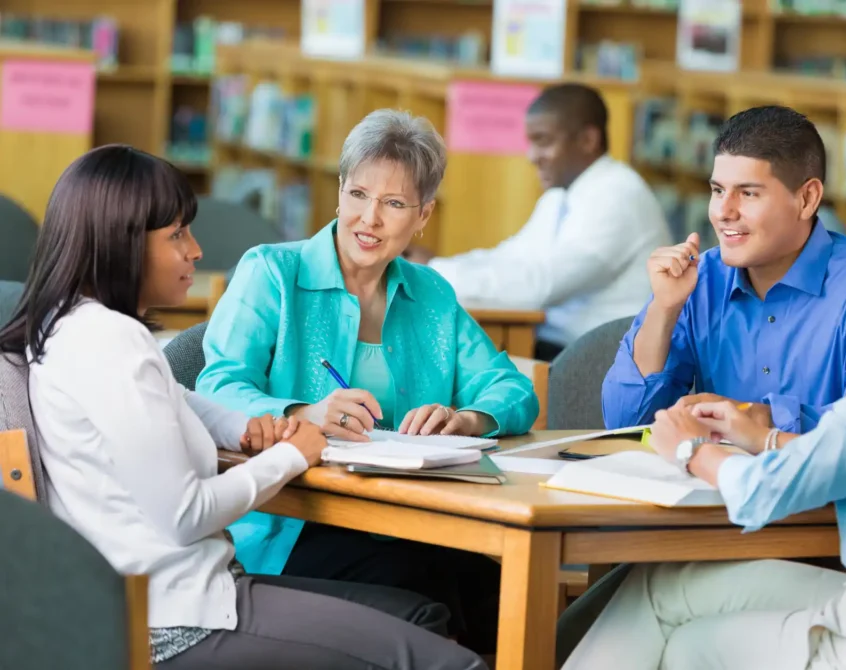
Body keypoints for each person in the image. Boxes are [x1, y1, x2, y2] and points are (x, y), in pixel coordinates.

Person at [0, 144, 487, 670]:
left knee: (419, 612)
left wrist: (257, 426)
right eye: (177, 235)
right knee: (452, 662)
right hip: (176, 620)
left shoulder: (76, 328)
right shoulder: (112, 344)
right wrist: (293, 453)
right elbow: (186, 516)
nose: (197, 251)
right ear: (123, 246)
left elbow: (186, 402)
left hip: (171, 595)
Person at [563, 158, 846, 670]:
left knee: (682, 642)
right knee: (659, 584)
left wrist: (694, 451)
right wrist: (760, 436)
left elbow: (766, 493)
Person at [195, 109, 539, 656]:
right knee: (433, 585)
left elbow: (515, 391)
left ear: (424, 215)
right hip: (292, 524)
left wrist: (466, 417)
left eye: (395, 204)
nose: (369, 219)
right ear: (338, 191)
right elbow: (215, 389)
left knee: (498, 591)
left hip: (413, 521)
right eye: (358, 194)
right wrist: (304, 412)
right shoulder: (271, 272)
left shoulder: (432, 295)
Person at [602, 105, 846, 434]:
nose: (723, 212)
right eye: (717, 191)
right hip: (703, 478)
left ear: (807, 198)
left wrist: (753, 417)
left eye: (748, 193)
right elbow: (624, 422)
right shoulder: (699, 279)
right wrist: (664, 309)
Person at [405, 83, 672, 361]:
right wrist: (441, 266)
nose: (532, 156)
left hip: (603, 364)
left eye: (543, 141)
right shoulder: (560, 196)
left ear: (588, 140)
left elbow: (540, 286)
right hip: (562, 348)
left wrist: (434, 272)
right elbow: (510, 257)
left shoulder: (619, 196)